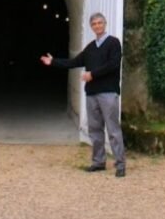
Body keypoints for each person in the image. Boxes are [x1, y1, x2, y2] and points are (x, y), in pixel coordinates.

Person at [40, 12, 126, 177]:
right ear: (91, 27)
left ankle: (120, 164)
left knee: (113, 129)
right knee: (95, 130)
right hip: (92, 94)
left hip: (108, 93)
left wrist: (92, 75)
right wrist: (54, 62)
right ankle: (98, 162)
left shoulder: (113, 43)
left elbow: (113, 65)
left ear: (105, 24)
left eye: (100, 23)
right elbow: (74, 62)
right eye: (94, 24)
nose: (97, 26)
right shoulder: (90, 48)